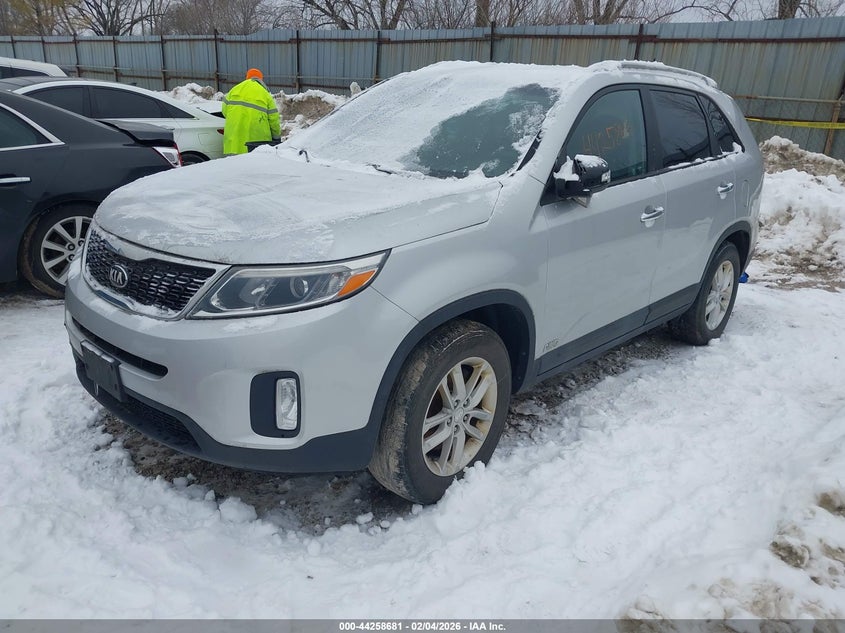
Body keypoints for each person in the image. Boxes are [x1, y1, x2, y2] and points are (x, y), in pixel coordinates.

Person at [221, 68, 281, 155]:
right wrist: (276, 138)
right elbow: (274, 119)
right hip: (256, 144)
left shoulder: (234, 89)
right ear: (261, 80)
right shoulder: (265, 94)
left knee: (234, 167)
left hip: (233, 143)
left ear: (247, 78)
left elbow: (224, 111)